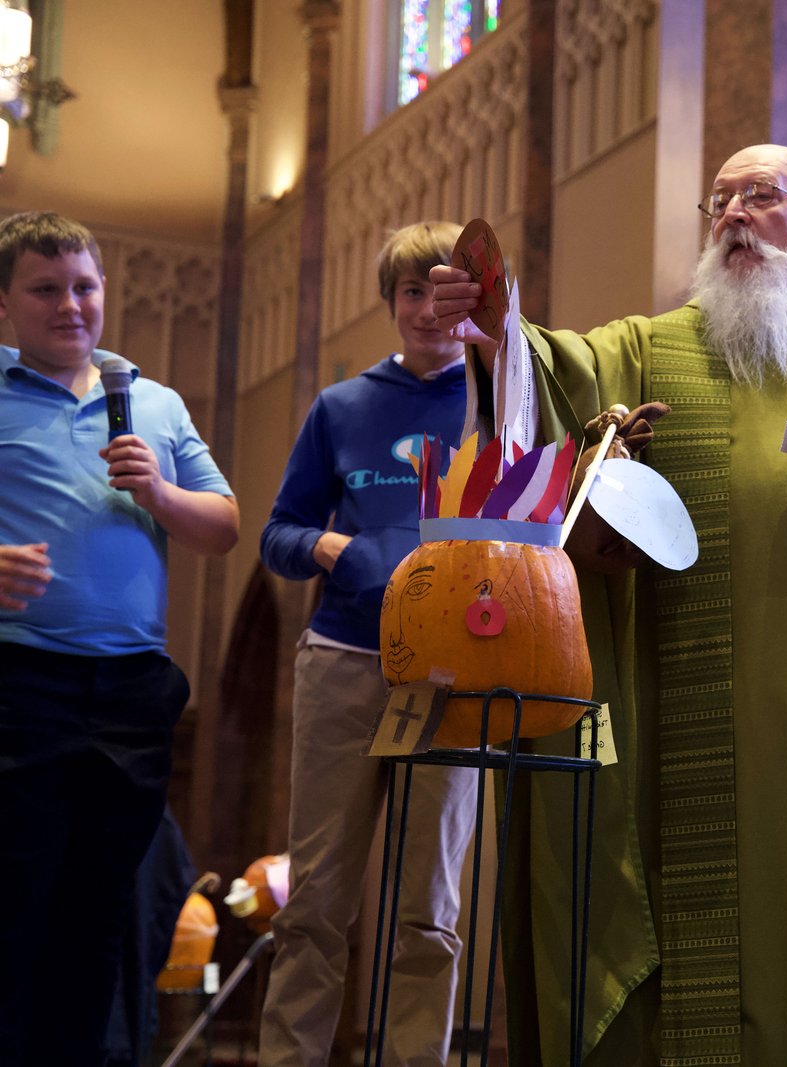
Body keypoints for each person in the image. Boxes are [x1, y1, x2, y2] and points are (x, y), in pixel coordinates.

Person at [431, 144, 787, 1065]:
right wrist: (501, 326)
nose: (735, 213)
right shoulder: (650, 351)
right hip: (686, 714)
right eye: (721, 199)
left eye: (762, 196)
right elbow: (550, 378)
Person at [0, 210, 239, 1066]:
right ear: (6, 302)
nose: (71, 305)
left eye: (85, 287)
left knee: (100, 912)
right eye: (46, 289)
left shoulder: (153, 400)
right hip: (20, 688)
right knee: (15, 906)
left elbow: (224, 525)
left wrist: (162, 496)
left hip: (133, 696)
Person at [257, 221, 477, 1067]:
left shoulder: (499, 401)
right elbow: (279, 531)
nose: (426, 309)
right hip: (345, 661)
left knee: (430, 903)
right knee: (315, 899)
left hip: (454, 674)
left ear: (473, 301)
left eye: (442, 290)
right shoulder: (341, 406)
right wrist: (327, 548)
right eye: (410, 292)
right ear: (391, 304)